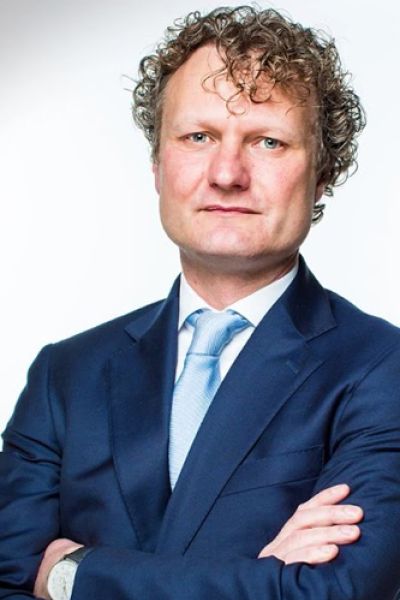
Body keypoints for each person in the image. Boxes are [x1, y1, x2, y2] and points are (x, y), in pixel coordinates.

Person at [1, 5, 400, 599]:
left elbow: (334, 592)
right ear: (158, 165)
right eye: (198, 137)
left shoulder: (383, 368)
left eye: (268, 141)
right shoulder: (65, 374)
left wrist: (70, 573)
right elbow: (5, 575)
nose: (227, 173)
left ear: (322, 175)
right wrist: (263, 578)